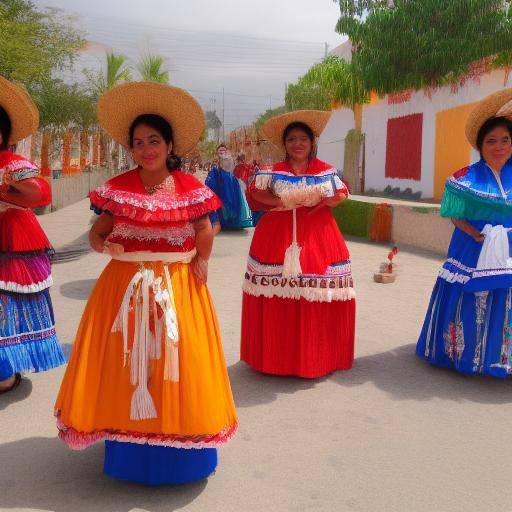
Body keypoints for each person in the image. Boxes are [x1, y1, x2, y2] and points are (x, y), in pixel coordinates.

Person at [55, 81, 237, 485]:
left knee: (178, 364)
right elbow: (99, 231)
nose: (146, 149)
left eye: (154, 140)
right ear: (130, 149)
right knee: (125, 366)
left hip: (177, 284)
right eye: (138, 142)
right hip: (123, 288)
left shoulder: (191, 188)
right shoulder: (117, 188)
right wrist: (108, 249)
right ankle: (129, 452)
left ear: (170, 145)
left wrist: (201, 261)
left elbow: (204, 227)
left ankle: (182, 454)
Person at [240, 110, 355, 378]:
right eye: (291, 139)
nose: (298, 144)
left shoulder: (325, 170)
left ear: (312, 143)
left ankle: (318, 357)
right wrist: (280, 203)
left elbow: (340, 194)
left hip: (318, 235)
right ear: (285, 144)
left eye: (303, 138)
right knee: (279, 291)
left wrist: (322, 200)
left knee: (313, 290)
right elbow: (255, 192)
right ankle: (275, 358)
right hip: (277, 236)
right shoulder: (274, 171)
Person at [417, 89, 512, 377]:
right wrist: (475, 234)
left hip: (508, 245)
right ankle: (463, 355)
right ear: (480, 146)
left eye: (506, 140)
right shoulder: (465, 178)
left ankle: (501, 357)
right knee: (471, 298)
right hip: (473, 245)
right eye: (491, 141)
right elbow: (453, 214)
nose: (499, 146)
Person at [0, 75, 65, 394]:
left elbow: (41, 194)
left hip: (12, 239)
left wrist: (9, 183)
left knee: (11, 303)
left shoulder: (12, 163)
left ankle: (6, 370)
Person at [206, 144, 252, 231]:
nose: (222, 152)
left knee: (230, 201)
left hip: (230, 184)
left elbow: (232, 170)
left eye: (224, 150)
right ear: (217, 153)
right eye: (220, 151)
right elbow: (209, 184)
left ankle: (230, 220)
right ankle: (219, 221)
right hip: (219, 186)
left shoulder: (229, 160)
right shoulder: (214, 169)